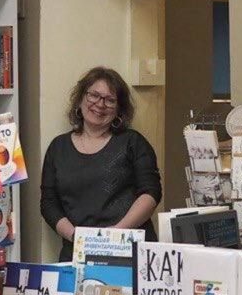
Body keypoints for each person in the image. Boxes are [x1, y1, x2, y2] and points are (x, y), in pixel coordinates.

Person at [40, 66, 162, 260]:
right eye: (94, 95)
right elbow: (48, 203)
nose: (100, 104)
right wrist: (76, 237)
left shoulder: (133, 142)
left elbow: (151, 193)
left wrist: (114, 235)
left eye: (110, 100)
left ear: (119, 109)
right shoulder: (58, 147)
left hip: (128, 250)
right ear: (81, 98)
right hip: (77, 252)